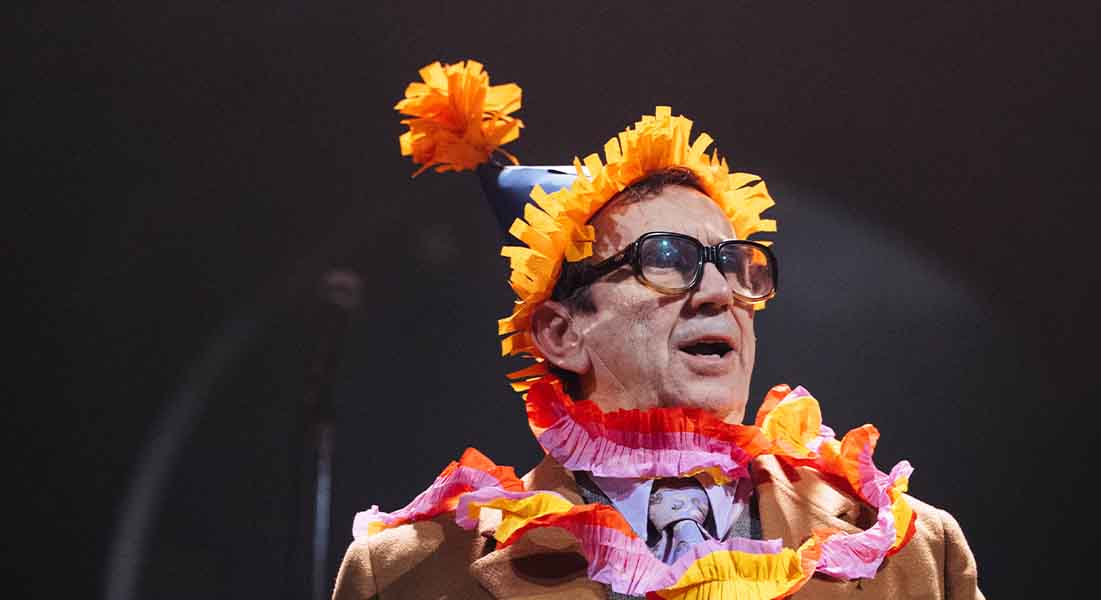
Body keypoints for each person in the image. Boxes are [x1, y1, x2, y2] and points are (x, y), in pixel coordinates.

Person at [332, 60, 983, 600]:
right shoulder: (408, 575)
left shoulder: (913, 554)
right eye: (667, 261)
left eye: (735, 264)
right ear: (561, 333)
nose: (719, 291)